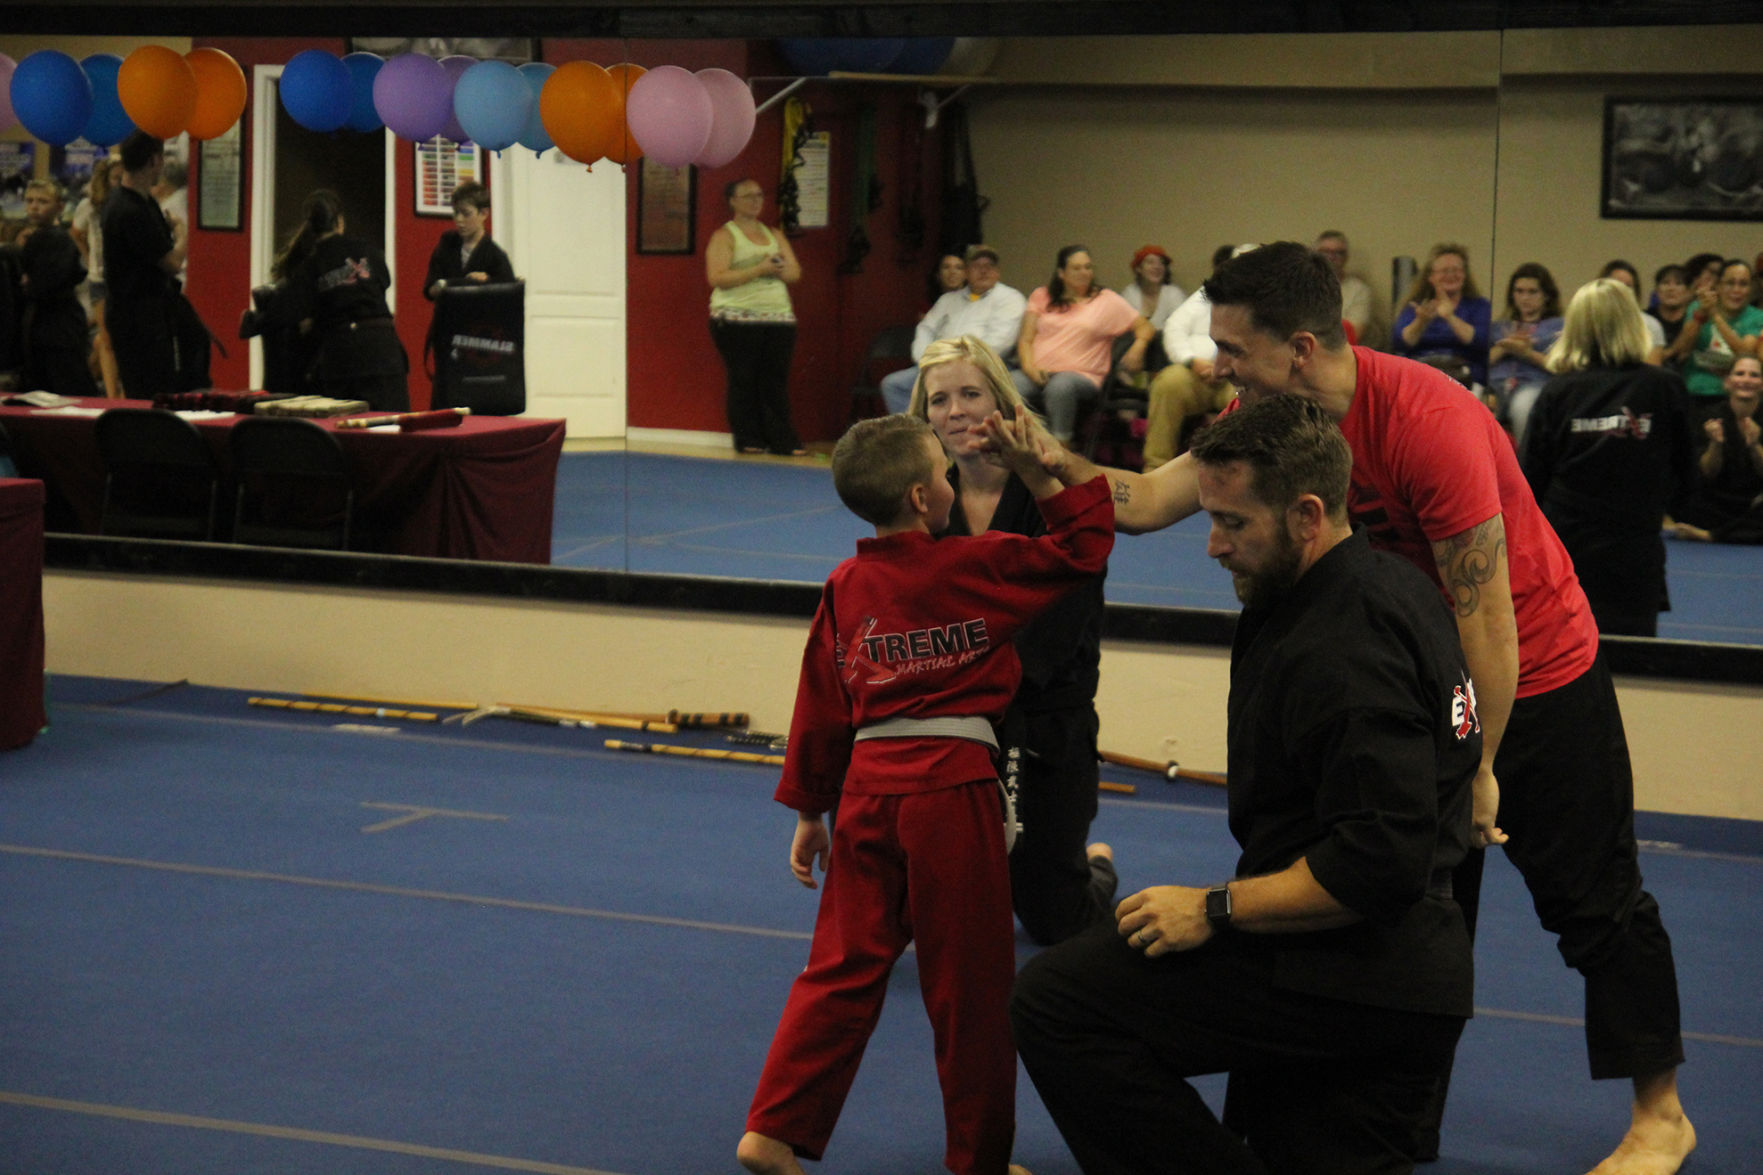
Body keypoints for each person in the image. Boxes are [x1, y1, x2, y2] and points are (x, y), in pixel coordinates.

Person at [1031, 240, 1694, 1175]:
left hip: (1533, 674)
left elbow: (1487, 617)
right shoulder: (1266, 415)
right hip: (1416, 677)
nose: (1218, 365)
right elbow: (1142, 503)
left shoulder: (1430, 421)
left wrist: (1481, 770)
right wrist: (1039, 451)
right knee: (1416, 920)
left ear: (1300, 348)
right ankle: (1398, 1131)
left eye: (1233, 348)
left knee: (1594, 901)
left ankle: (1659, 1112)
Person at [1013, 392, 1478, 1175]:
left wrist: (1212, 908)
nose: (1212, 546)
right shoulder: (1375, 586)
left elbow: (1379, 861)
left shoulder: (1345, 648)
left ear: (1305, 514)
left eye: (1232, 522)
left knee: (1056, 1000)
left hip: (1357, 971)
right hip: (1385, 965)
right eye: (1209, 518)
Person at [736, 411, 1113, 1175]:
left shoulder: (846, 584)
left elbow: (819, 704)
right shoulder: (973, 565)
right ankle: (978, 1160)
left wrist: (812, 811)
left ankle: (772, 1128)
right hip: (951, 789)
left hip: (868, 793)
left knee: (840, 966)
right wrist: (1042, 475)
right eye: (944, 473)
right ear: (921, 497)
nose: (951, 483)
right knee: (969, 985)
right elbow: (1085, 548)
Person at [907, 335, 1117, 944]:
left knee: (1056, 922)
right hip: (956, 719)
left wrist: (958, 686)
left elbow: (1051, 638)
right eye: (940, 400)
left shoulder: (1056, 492)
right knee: (937, 917)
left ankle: (1096, 866)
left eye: (971, 393)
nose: (957, 411)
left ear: (1003, 401)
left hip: (1043, 718)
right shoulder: (923, 501)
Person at [1521, 278, 1696, 636]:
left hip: (1570, 548)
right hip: (1633, 549)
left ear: (1577, 328)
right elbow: (1687, 472)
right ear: (1633, 322)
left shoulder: (1559, 392)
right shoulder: (1664, 386)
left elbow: (1529, 481)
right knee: (1632, 664)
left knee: (1569, 661)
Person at [1012, 244, 1154, 443]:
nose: (1084, 272)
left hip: (1082, 375)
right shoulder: (1042, 296)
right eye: (1076, 268)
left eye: (1088, 267)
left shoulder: (1106, 300)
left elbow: (1145, 327)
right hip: (1038, 371)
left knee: (1060, 387)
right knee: (1009, 384)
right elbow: (1026, 339)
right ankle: (1014, 444)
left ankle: (1061, 447)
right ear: (1061, 273)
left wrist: (1138, 347)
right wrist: (1029, 368)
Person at [283, 189, 408, 411]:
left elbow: (289, 310)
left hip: (341, 355)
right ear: (340, 222)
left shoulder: (311, 265)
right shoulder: (366, 250)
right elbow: (384, 281)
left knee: (344, 430)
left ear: (310, 228)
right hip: (382, 349)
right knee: (391, 427)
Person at [705, 177, 805, 456]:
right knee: (744, 378)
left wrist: (778, 269)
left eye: (759, 195)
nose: (755, 200)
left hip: (778, 318)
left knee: (775, 380)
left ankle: (782, 439)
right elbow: (717, 276)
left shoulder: (775, 234)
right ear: (733, 201)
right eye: (748, 196)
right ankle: (748, 438)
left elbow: (794, 273)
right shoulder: (725, 236)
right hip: (736, 319)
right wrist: (758, 270)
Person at [1140, 244, 1253, 470]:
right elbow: (1174, 326)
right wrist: (1191, 360)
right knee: (1168, 383)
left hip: (1240, 376)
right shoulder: (1209, 293)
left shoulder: (1270, 302)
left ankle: (1237, 474)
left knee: (1256, 396)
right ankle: (1154, 468)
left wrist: (1228, 366)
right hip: (1196, 372)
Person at [881, 244, 1027, 413]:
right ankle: (916, 435)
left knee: (954, 389)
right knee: (893, 385)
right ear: (966, 272)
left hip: (984, 368)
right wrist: (925, 360)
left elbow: (999, 343)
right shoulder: (947, 300)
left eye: (989, 266)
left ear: (998, 271)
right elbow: (925, 329)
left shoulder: (1010, 299)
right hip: (937, 363)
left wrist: (956, 362)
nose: (984, 271)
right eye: (977, 266)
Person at [101, 131, 186, 401]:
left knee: (150, 388)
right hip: (138, 317)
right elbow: (172, 263)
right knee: (151, 392)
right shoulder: (132, 210)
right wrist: (184, 234)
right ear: (154, 161)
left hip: (139, 311)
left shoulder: (138, 202)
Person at [12, 180, 96, 398]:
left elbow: (48, 282)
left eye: (42, 201)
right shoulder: (36, 237)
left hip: (59, 324)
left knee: (65, 383)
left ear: (59, 207)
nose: (34, 206)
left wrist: (29, 284)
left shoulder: (58, 240)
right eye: (30, 201)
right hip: (45, 321)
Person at [1669, 355, 1763, 544]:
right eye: (1740, 374)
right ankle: (1735, 532)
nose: (1746, 380)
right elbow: (1707, 473)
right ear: (1728, 382)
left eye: (1754, 375)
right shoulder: (1709, 416)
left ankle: (1711, 535)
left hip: (1754, 504)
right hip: (1715, 502)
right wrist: (1715, 444)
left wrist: (1755, 447)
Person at [1669, 258, 1762, 420]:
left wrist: (1714, 315)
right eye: (1730, 283)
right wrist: (1700, 316)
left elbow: (1744, 353)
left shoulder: (1756, 316)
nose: (1736, 290)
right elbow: (1682, 350)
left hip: (1735, 396)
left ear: (1750, 288)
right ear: (1718, 286)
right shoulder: (1697, 307)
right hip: (1695, 392)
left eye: (1743, 284)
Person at [1392, 242, 1493, 388]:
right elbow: (1400, 341)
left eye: (1456, 270)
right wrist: (1422, 321)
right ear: (1431, 276)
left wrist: (1450, 317)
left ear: (1465, 274)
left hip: (1465, 375)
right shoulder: (1416, 306)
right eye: (1444, 271)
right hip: (1422, 372)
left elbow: (1482, 340)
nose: (1451, 275)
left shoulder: (1479, 306)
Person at [1487, 261, 1564, 446]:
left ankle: (1526, 468)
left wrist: (1527, 353)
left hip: (1534, 386)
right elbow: (1482, 363)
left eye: (1532, 292)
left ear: (1546, 295)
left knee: (1523, 404)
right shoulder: (1499, 327)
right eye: (1519, 291)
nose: (1525, 297)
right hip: (1495, 388)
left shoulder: (1558, 327)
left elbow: (1563, 367)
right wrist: (1506, 347)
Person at [69, 158, 122, 397]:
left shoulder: (127, 203)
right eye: (115, 179)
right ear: (105, 180)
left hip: (122, 278)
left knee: (118, 335)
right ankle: (112, 396)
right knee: (107, 337)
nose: (119, 183)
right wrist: (89, 256)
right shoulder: (91, 205)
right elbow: (76, 232)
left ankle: (118, 389)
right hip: (99, 277)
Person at [1315, 229, 1377, 345]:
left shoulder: (1359, 290)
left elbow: (1354, 334)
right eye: (1325, 252)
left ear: (1346, 257)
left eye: (1338, 252)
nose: (1332, 257)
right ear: (1315, 254)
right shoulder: (1302, 285)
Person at [1119, 243, 1186, 331]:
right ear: (1138, 269)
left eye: (1161, 263)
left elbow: (1182, 327)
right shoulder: (1129, 294)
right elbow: (1123, 327)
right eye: (1150, 262)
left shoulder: (1174, 294)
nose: (1157, 267)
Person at [1645, 263, 1693, 363]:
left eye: (1678, 283)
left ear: (1688, 292)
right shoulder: (1645, 319)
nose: (1671, 289)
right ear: (1657, 290)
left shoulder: (1694, 320)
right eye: (1665, 283)